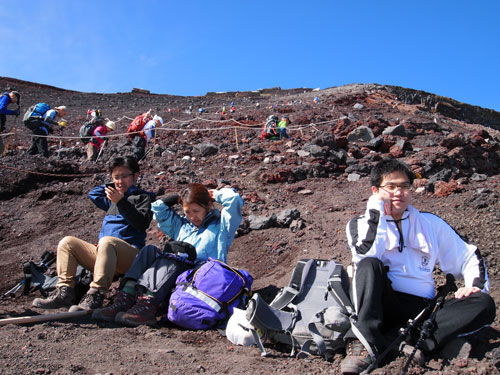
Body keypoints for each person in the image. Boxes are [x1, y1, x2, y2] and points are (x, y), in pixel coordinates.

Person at [340, 159, 496, 375]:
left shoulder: (430, 224)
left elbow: (468, 256)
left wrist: (474, 286)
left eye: (404, 186)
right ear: (375, 190)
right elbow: (366, 254)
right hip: (382, 305)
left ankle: (400, 342)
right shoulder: (360, 224)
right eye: (391, 187)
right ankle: (366, 342)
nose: (399, 192)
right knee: (368, 265)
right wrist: (376, 210)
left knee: (483, 303)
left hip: (423, 311)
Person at [92, 183, 244, 326]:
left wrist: (215, 194)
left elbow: (233, 200)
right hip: (178, 276)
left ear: (207, 206)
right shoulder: (183, 227)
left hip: (203, 277)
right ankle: (125, 298)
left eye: (196, 211)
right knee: (149, 251)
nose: (192, 217)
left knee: (176, 257)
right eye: (187, 212)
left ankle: (148, 304)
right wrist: (178, 197)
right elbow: (158, 209)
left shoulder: (222, 227)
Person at [32, 156, 155, 312]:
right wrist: (115, 187)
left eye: (124, 176)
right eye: (116, 177)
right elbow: (94, 194)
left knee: (107, 241)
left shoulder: (142, 197)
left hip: (130, 256)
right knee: (67, 242)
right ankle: (64, 292)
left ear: (136, 176)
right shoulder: (112, 200)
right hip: (105, 255)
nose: (120, 181)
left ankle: (96, 294)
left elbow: (142, 223)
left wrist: (121, 201)